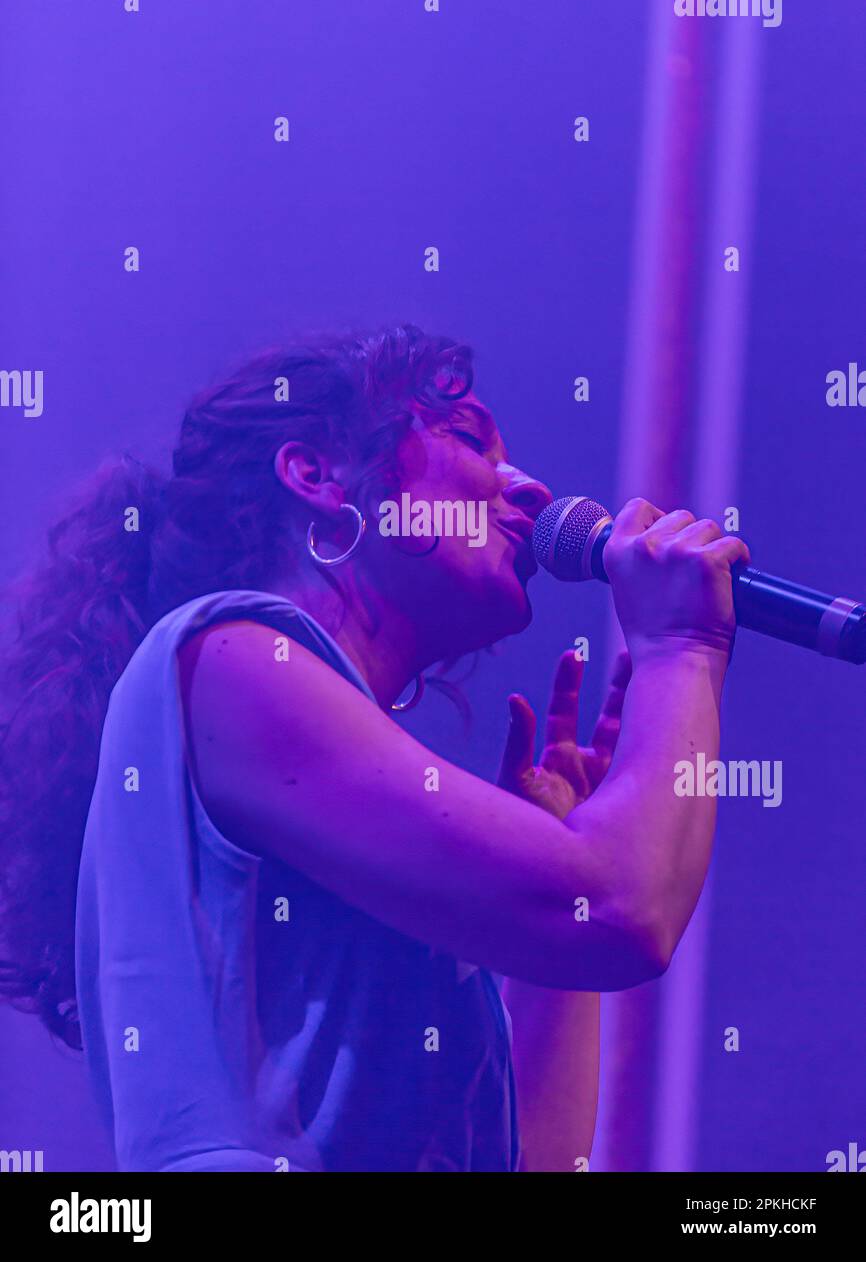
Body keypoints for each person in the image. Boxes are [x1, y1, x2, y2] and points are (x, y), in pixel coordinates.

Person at [0, 324, 749, 1172]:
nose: (531, 492)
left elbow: (534, 1160)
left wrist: (547, 903)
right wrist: (681, 647)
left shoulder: (318, 789)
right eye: (469, 439)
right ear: (316, 477)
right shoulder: (229, 657)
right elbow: (626, 911)